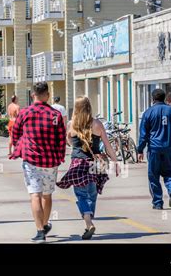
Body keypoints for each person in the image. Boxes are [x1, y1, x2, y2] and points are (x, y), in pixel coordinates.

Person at [57, 96, 120, 240]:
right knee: (92, 194)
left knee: (81, 195)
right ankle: (89, 220)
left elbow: (69, 143)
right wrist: (116, 162)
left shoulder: (71, 124)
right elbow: (108, 145)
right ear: (89, 107)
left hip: (78, 164)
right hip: (94, 164)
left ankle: (88, 222)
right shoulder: (97, 123)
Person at [10, 82, 66, 243]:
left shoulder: (25, 112)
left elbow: (15, 134)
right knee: (47, 196)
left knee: (35, 195)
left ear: (33, 95)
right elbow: (61, 139)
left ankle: (40, 231)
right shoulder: (55, 115)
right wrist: (60, 157)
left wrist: (18, 148)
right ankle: (45, 223)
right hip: (50, 161)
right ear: (47, 95)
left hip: (31, 160)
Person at [138, 88, 171, 210]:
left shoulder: (148, 113)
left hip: (154, 149)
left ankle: (158, 203)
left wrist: (140, 150)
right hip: (169, 148)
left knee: (154, 176)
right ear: (164, 98)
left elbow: (143, 134)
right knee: (169, 172)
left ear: (153, 99)